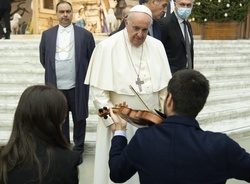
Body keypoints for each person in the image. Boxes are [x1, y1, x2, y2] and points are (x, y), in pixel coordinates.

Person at [108, 69, 250, 184]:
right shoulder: (221, 145)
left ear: (169, 100)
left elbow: (117, 174)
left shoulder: (143, 139)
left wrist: (120, 132)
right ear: (200, 104)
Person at [84, 5, 172, 184]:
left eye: (145, 30)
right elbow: (97, 96)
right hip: (120, 124)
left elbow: (164, 90)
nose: (140, 34)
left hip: (151, 123)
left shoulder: (157, 47)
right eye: (136, 28)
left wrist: (165, 119)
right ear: (126, 22)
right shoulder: (106, 47)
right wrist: (112, 122)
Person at [39, 1, 95, 162]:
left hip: (77, 85)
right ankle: (64, 147)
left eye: (68, 12)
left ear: (72, 13)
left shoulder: (85, 35)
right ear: (56, 14)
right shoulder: (47, 35)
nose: (65, 15)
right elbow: (44, 59)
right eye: (61, 12)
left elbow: (91, 59)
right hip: (55, 87)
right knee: (59, 119)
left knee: (79, 117)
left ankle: (78, 149)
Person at [0, 85, 80, 184]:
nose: (64, 120)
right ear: (54, 122)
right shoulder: (67, 162)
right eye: (62, 116)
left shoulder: (4, 160)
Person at [158, 0, 194, 74]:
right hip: (172, 75)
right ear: (175, 5)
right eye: (182, 4)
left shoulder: (187, 25)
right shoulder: (164, 24)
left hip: (187, 74)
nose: (185, 8)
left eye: (188, 5)